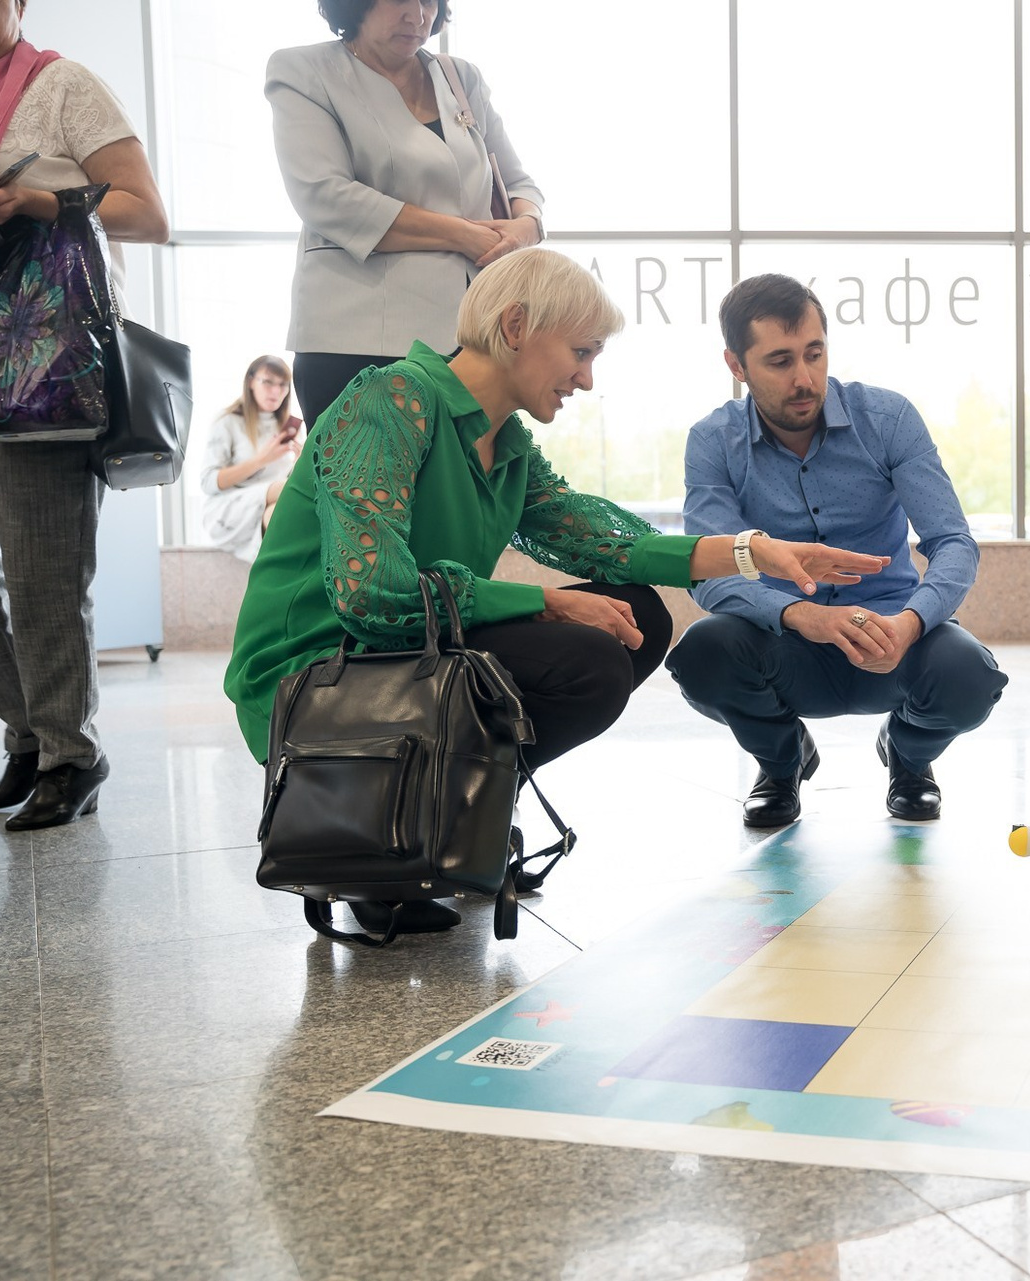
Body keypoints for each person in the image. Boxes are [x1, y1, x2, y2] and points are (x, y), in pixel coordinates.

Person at [223, 250, 886, 933]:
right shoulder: (391, 400)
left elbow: (608, 543)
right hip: (317, 678)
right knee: (587, 654)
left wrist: (754, 551)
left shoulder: (505, 443)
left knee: (636, 616)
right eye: (580, 351)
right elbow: (372, 595)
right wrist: (546, 602)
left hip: (407, 654)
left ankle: (450, 816)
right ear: (515, 327)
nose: (586, 378)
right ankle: (387, 835)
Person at [666, 274, 1009, 828]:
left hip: (891, 636)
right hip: (783, 642)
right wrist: (803, 615)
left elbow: (953, 542)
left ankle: (907, 755)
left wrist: (910, 624)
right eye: (780, 361)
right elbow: (710, 571)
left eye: (814, 353)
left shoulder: (888, 419)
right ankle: (783, 763)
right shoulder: (713, 441)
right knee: (702, 654)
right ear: (736, 365)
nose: (804, 378)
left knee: (971, 675)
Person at [0, 0, 168, 829]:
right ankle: (35, 732)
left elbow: (147, 213)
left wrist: (38, 200)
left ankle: (68, 753)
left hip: (43, 367)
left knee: (43, 575)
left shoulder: (62, 87)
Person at [269, 0, 545, 426]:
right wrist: (463, 235)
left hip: (470, 341)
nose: (417, 16)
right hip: (357, 342)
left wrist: (526, 228)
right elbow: (324, 195)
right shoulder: (305, 70)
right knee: (363, 472)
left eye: (428, 1)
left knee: (470, 470)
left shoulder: (460, 77)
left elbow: (520, 184)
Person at [199, 356, 303, 562]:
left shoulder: (289, 428)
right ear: (250, 382)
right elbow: (208, 482)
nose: (276, 391)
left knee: (277, 513)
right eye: (268, 382)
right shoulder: (227, 421)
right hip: (228, 509)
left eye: (283, 385)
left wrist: (299, 464)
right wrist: (261, 460)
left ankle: (276, 574)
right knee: (291, 491)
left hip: (270, 507)